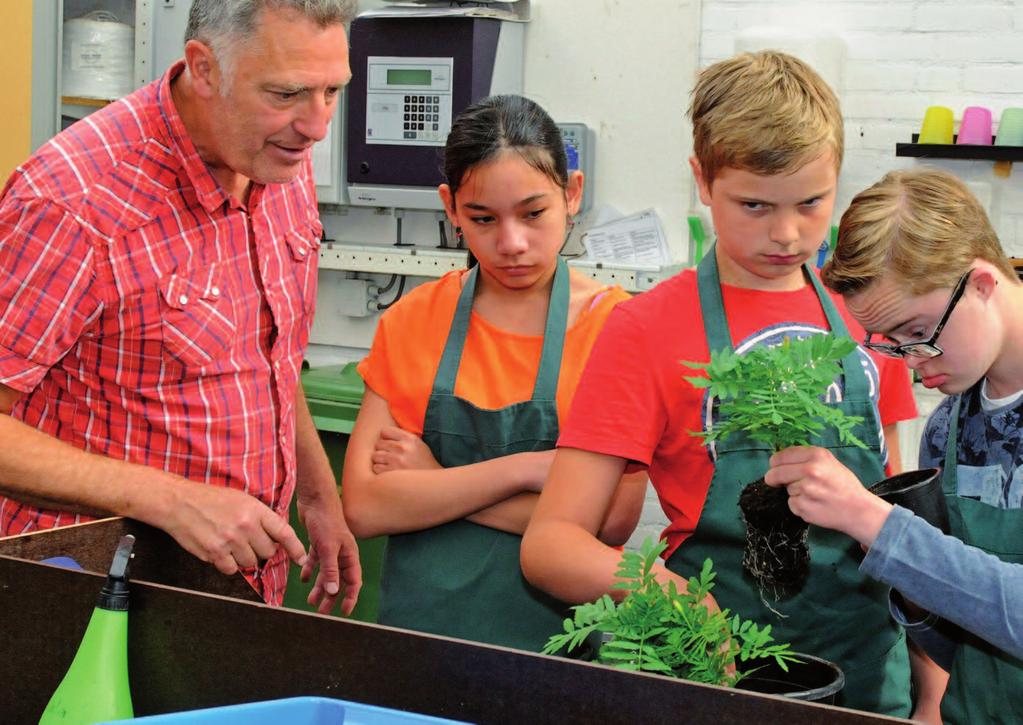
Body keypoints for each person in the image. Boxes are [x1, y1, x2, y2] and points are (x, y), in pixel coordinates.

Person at [521, 51, 943, 718]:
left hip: (867, 680)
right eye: (753, 205)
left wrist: (933, 694)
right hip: (710, 675)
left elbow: (903, 526)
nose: (785, 232)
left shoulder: (868, 312)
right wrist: (673, 597)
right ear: (700, 179)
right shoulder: (645, 329)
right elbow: (551, 544)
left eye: (811, 203)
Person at [0, 0, 361, 614]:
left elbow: (267, 353)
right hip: (89, 595)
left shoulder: (277, 159)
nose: (317, 125)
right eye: (287, 92)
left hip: (237, 589)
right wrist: (167, 500)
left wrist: (319, 497)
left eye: (332, 91)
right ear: (204, 68)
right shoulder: (75, 202)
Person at [341, 94, 646, 651]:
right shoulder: (413, 321)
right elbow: (364, 506)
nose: (511, 244)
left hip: (554, 657)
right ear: (451, 208)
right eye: (483, 219)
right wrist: (528, 470)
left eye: (533, 214)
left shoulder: (618, 330)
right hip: (417, 647)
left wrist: (433, 485)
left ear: (571, 194)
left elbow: (610, 526)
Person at [765, 167, 1023, 724]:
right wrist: (907, 581)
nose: (912, 362)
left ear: (980, 283)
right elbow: (966, 643)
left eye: (918, 332)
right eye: (892, 345)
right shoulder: (948, 430)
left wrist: (880, 526)